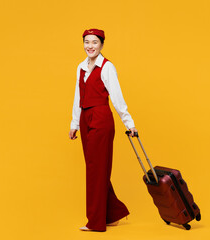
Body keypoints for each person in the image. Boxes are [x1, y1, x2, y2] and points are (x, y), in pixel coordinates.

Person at [69, 28, 138, 232]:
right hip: (85, 117)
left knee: (96, 170)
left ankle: (96, 222)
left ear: (101, 45)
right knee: (94, 169)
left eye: (95, 42)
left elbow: (117, 98)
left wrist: (129, 123)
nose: (90, 46)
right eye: (87, 42)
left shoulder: (107, 67)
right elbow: (77, 97)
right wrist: (74, 123)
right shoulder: (81, 67)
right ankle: (113, 214)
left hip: (100, 117)